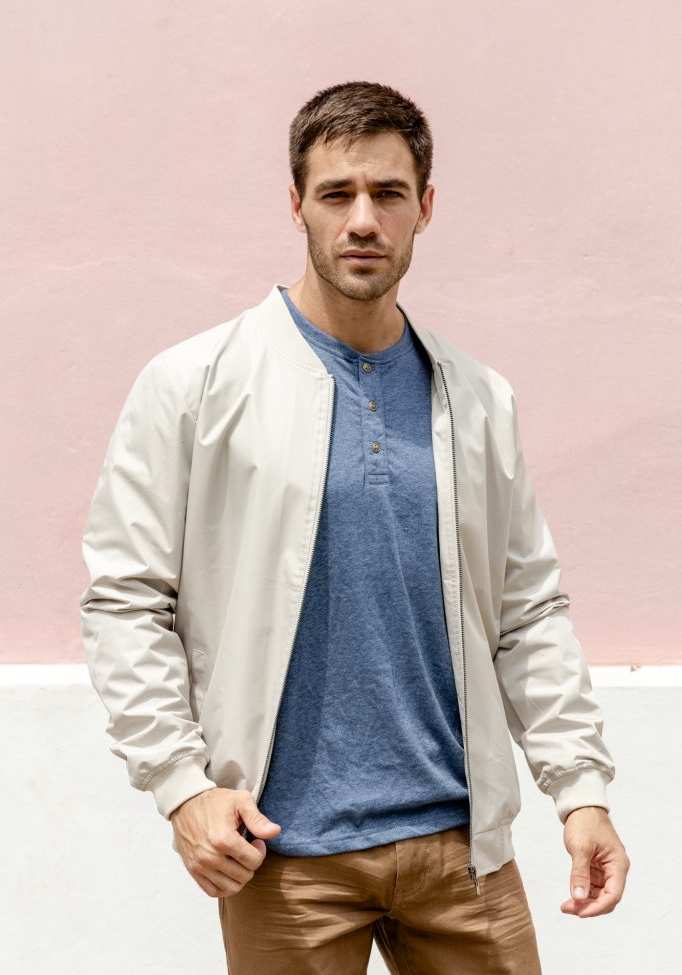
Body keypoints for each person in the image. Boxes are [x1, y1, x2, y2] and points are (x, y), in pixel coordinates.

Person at [80, 80, 629, 974]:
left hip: (464, 850)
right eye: (337, 194)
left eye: (388, 194)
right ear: (296, 205)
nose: (363, 220)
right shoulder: (195, 384)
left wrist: (582, 792)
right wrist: (182, 787)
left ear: (426, 208)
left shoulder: (477, 399)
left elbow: (528, 611)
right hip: (284, 855)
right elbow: (127, 601)